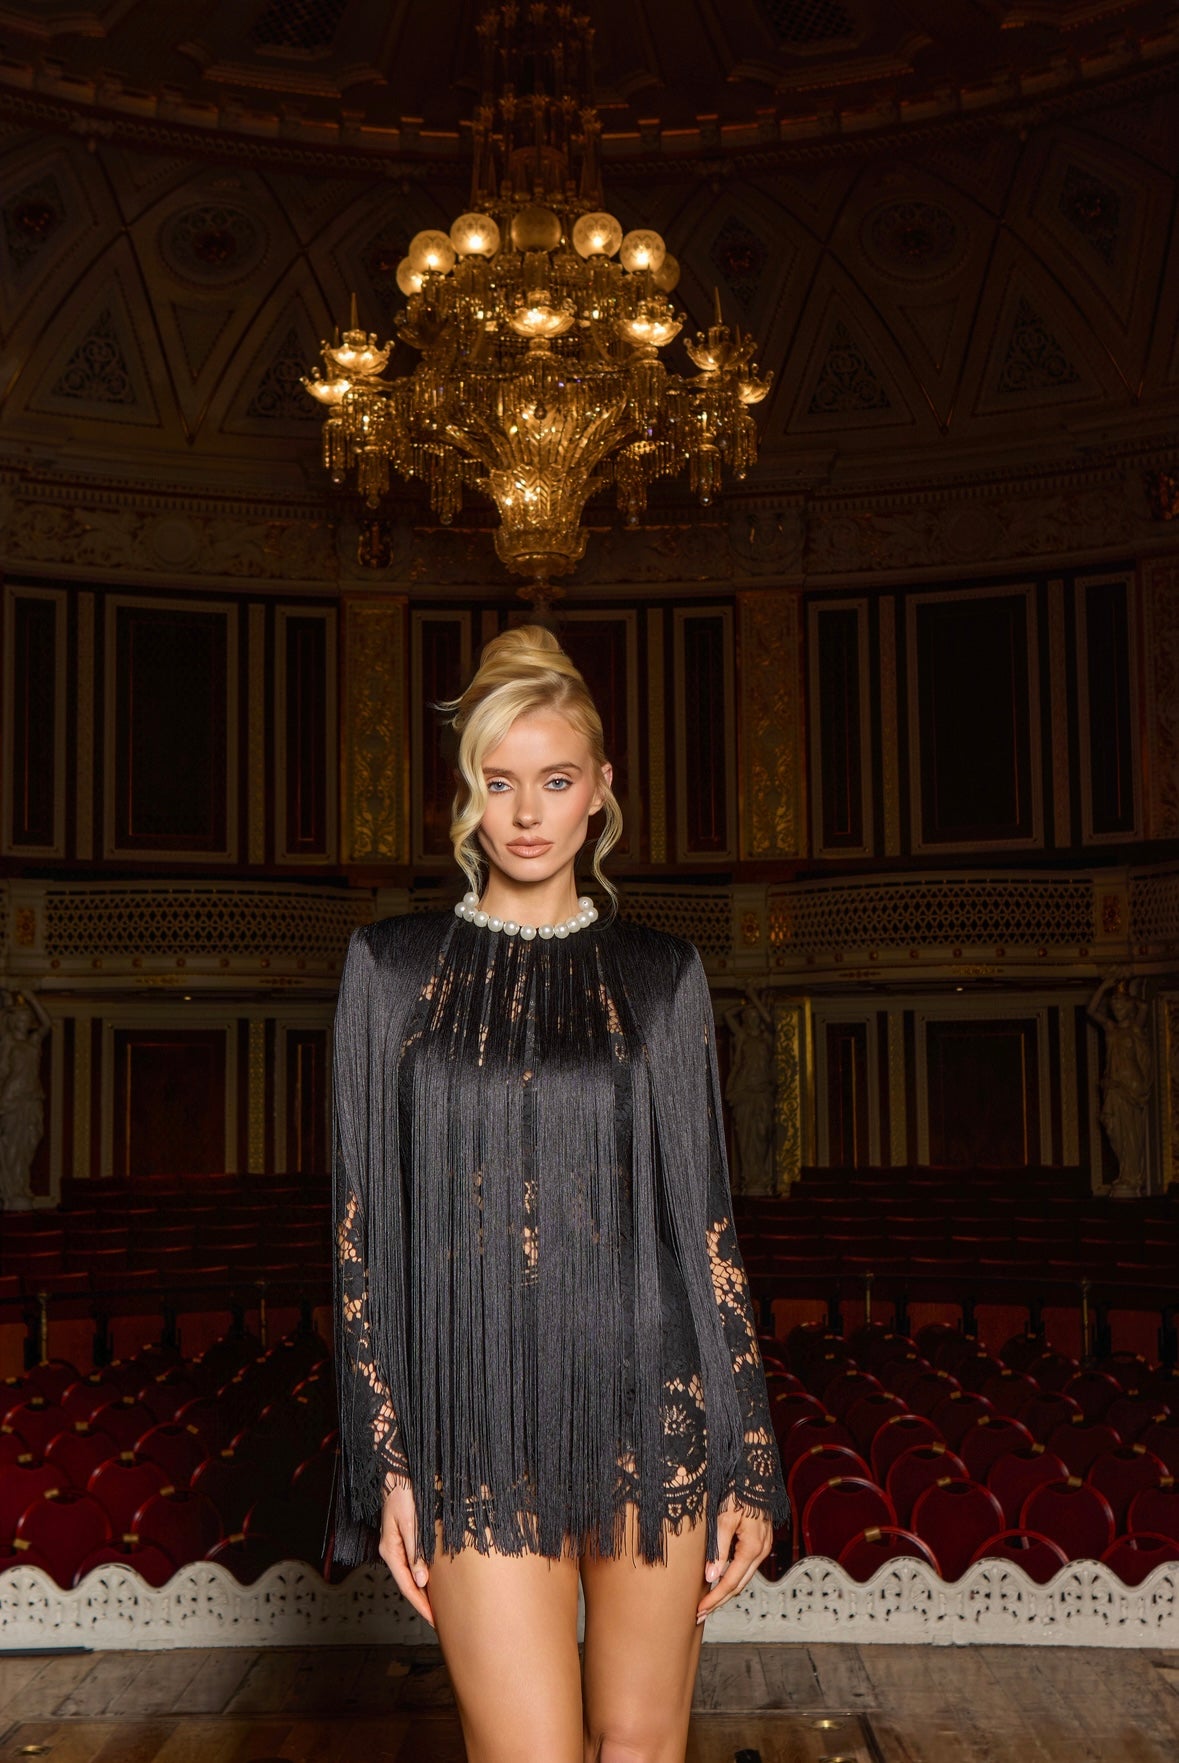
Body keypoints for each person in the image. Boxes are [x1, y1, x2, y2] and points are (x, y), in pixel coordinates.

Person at [328, 625, 788, 1763]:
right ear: (467, 794)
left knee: (637, 1748)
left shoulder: (662, 974)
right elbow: (360, 1233)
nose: (527, 813)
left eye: (555, 779)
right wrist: (385, 1456)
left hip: (653, 1405)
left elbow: (705, 1229)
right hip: (475, 1417)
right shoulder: (389, 968)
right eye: (500, 782)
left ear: (600, 790)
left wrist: (749, 1456)